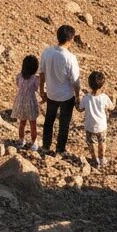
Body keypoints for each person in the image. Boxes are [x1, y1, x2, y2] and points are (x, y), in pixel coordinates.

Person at [39, 25, 81, 154]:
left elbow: (42, 73)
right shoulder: (70, 57)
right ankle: (60, 149)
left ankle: (45, 146)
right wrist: (78, 95)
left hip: (51, 93)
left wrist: (42, 90)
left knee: (49, 121)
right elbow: (75, 80)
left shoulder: (47, 52)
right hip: (66, 96)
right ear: (71, 39)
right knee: (64, 124)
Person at [77, 70, 115, 168]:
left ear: (89, 84)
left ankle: (95, 160)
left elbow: (80, 109)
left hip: (89, 126)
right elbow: (112, 107)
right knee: (102, 142)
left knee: (92, 143)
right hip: (102, 126)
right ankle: (102, 159)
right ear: (102, 85)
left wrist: (76, 100)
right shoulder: (104, 97)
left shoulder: (86, 98)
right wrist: (114, 99)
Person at [11, 55, 41, 151]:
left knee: (22, 123)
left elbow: (18, 85)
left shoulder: (19, 76)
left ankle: (21, 140)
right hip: (31, 102)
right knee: (33, 125)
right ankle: (34, 142)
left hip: (20, 102)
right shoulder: (36, 79)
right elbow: (38, 89)